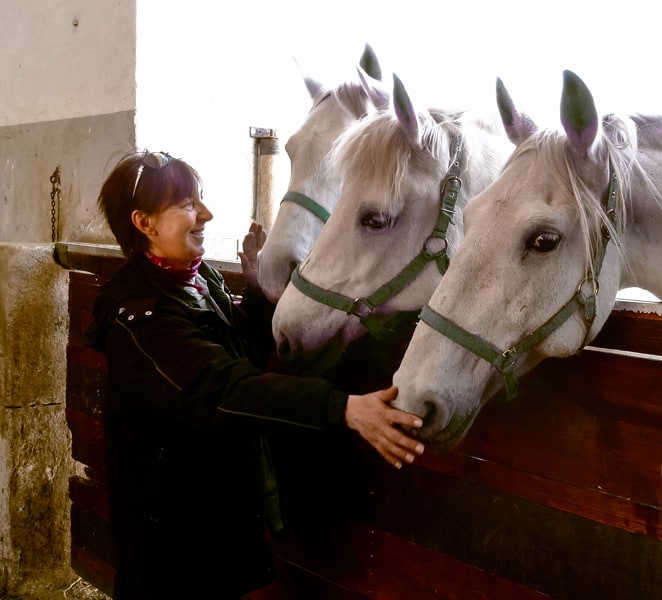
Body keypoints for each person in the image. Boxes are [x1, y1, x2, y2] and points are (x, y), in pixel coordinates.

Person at [85, 150, 425, 599]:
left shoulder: (195, 278)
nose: (205, 213)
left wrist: (261, 295)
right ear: (145, 224)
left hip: (211, 514)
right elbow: (222, 386)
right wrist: (342, 408)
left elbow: (238, 351)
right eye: (187, 204)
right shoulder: (140, 316)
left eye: (200, 199)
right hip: (172, 533)